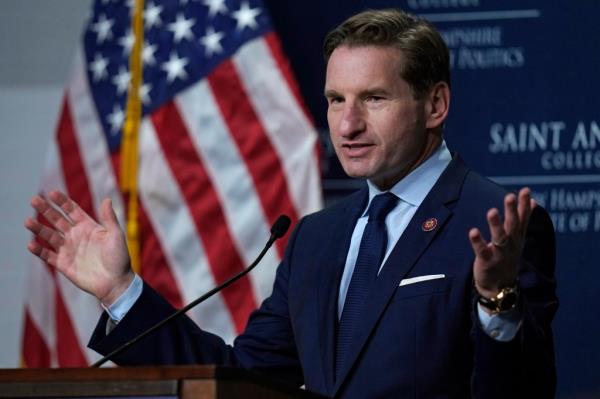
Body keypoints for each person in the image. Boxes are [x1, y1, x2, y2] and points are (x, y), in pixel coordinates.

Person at [25, 8, 557, 398]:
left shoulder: (498, 225)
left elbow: (524, 392)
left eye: (374, 98)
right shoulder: (315, 239)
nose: (347, 125)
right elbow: (240, 379)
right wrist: (121, 292)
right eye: (334, 100)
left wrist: (497, 303)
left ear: (435, 104)